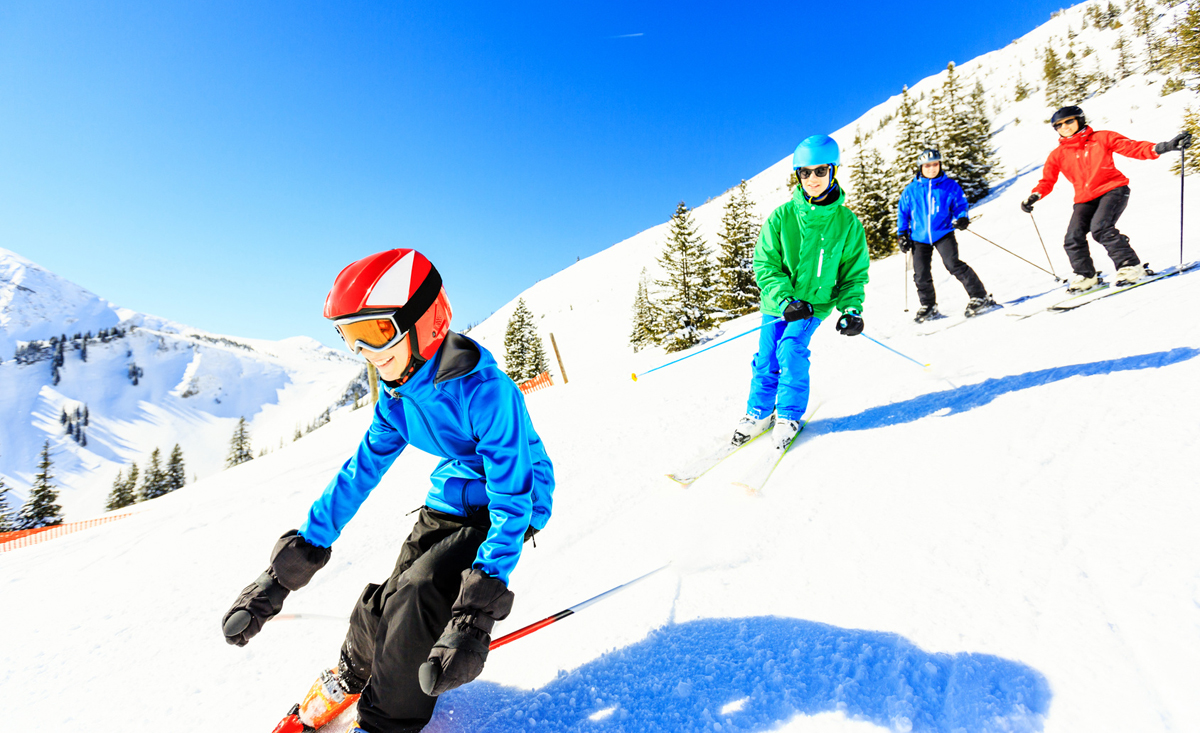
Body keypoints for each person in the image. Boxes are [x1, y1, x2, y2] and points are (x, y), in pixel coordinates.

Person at [221, 249, 555, 733]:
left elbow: (511, 496)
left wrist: (475, 613)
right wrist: (282, 572)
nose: (367, 354)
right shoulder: (398, 396)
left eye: (377, 333)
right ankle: (352, 674)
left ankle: (382, 723)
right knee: (388, 597)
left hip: (511, 503)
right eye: (352, 337)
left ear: (426, 322)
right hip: (450, 495)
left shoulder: (486, 391)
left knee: (419, 597)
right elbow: (358, 475)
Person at [731, 134, 870, 450]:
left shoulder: (847, 224)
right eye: (804, 173)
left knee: (791, 349)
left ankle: (789, 415)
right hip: (778, 304)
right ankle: (759, 413)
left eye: (820, 171)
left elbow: (853, 274)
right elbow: (765, 263)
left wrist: (851, 310)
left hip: (815, 305)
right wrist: (784, 299)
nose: (812, 179)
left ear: (833, 170)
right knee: (766, 356)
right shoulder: (782, 217)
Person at [1022, 105, 1193, 292]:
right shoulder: (1058, 155)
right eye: (1059, 125)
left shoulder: (1101, 138)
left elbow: (1133, 148)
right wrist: (1035, 195)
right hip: (1084, 199)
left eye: (1069, 121)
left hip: (1113, 190)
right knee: (1072, 237)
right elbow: (1047, 180)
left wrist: (1164, 147)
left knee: (1101, 228)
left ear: (1079, 120)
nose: (1065, 127)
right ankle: (1086, 276)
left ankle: (1130, 267)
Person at [896, 148, 995, 321]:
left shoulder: (950, 186)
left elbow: (960, 205)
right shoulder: (911, 190)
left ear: (940, 165)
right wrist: (902, 234)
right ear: (921, 167)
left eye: (935, 164)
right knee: (921, 273)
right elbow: (903, 213)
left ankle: (979, 296)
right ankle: (928, 306)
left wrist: (962, 218)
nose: (932, 168)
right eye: (927, 165)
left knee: (953, 264)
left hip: (943, 233)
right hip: (919, 238)